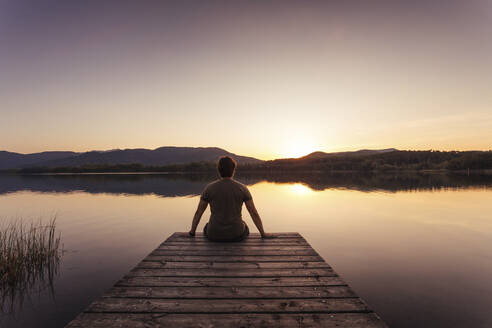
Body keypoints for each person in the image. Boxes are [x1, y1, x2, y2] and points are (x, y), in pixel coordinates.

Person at [188, 156, 273, 241]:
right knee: (245, 226)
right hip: (236, 234)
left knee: (207, 226)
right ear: (233, 170)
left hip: (214, 234)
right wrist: (263, 234)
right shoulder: (242, 188)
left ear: (219, 170)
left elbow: (199, 212)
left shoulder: (209, 188)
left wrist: (192, 232)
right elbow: (253, 212)